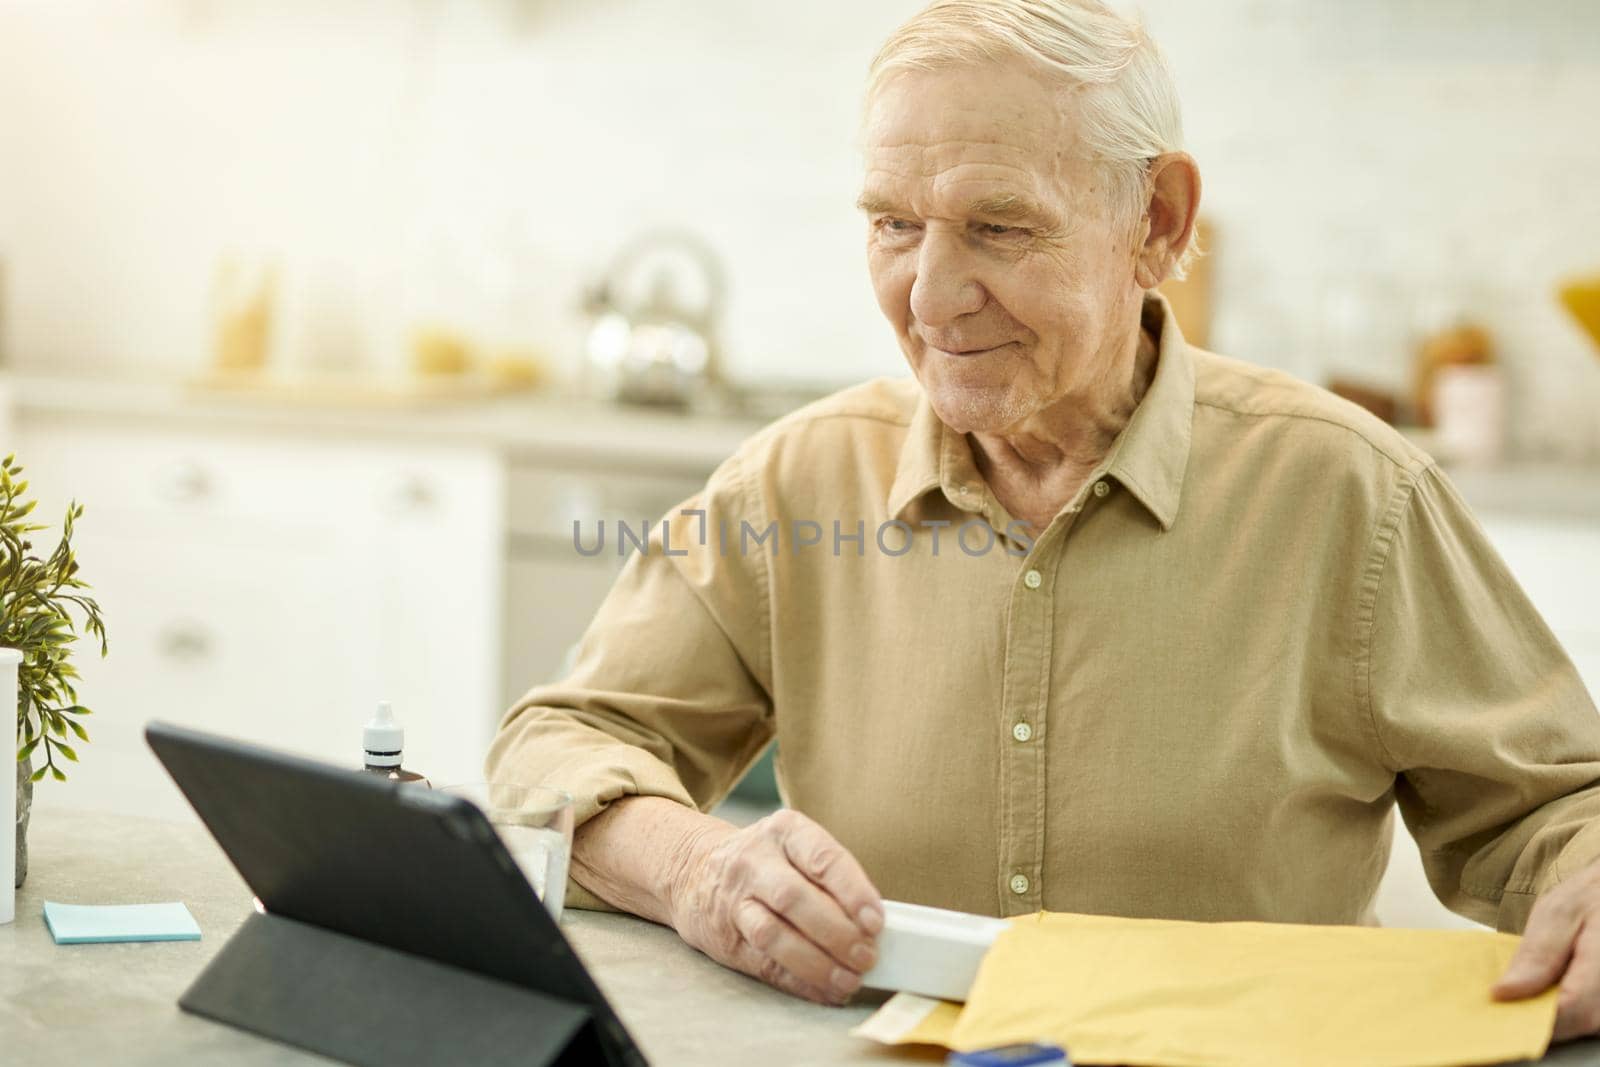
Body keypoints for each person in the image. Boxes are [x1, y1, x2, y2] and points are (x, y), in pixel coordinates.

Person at [488, 0, 1600, 1040]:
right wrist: (695, 869)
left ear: (1155, 223)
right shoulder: (796, 483)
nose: (928, 294)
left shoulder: (1348, 492)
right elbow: (553, 750)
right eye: (892, 225)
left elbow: (1555, 812)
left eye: (998, 227)